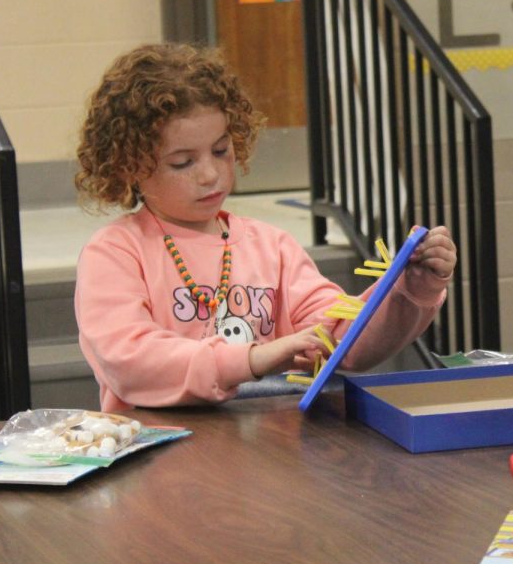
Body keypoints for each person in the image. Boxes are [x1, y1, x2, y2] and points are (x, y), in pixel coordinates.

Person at [74, 43, 455, 412]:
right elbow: (130, 362)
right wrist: (253, 359)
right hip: (165, 457)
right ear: (129, 167)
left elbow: (344, 343)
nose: (210, 174)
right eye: (182, 162)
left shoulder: (271, 247)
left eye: (221, 151)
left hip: (269, 455)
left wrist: (413, 289)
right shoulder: (116, 252)